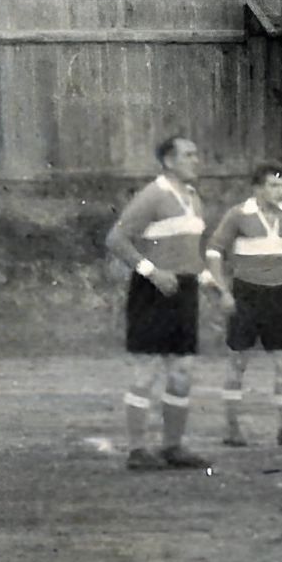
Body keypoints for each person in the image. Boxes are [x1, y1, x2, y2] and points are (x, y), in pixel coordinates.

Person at [105, 135, 227, 472]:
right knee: (146, 369)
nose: (196, 160)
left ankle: (173, 446)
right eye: (188, 155)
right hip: (152, 290)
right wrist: (152, 272)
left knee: (182, 370)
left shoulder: (193, 197)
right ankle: (137, 450)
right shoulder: (153, 194)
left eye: (196, 154)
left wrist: (209, 283)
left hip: (184, 291)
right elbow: (116, 239)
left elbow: (190, 254)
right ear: (169, 161)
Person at [206, 162, 282, 450]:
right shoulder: (238, 214)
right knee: (238, 361)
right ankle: (232, 428)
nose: (279, 191)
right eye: (273, 185)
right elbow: (214, 252)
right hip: (247, 295)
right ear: (257, 188)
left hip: (278, 295)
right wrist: (223, 290)